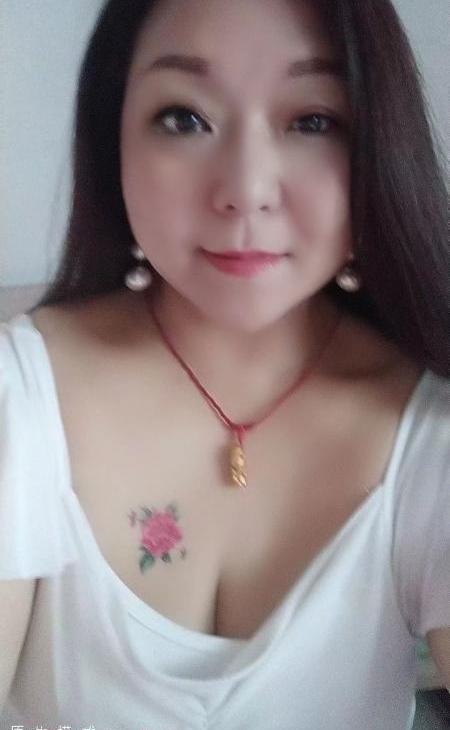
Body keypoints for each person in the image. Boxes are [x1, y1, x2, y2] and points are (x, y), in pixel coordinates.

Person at [0, 0, 449, 727]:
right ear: (114, 139)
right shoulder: (19, 394)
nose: (245, 189)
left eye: (313, 121)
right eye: (184, 118)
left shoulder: (431, 431)